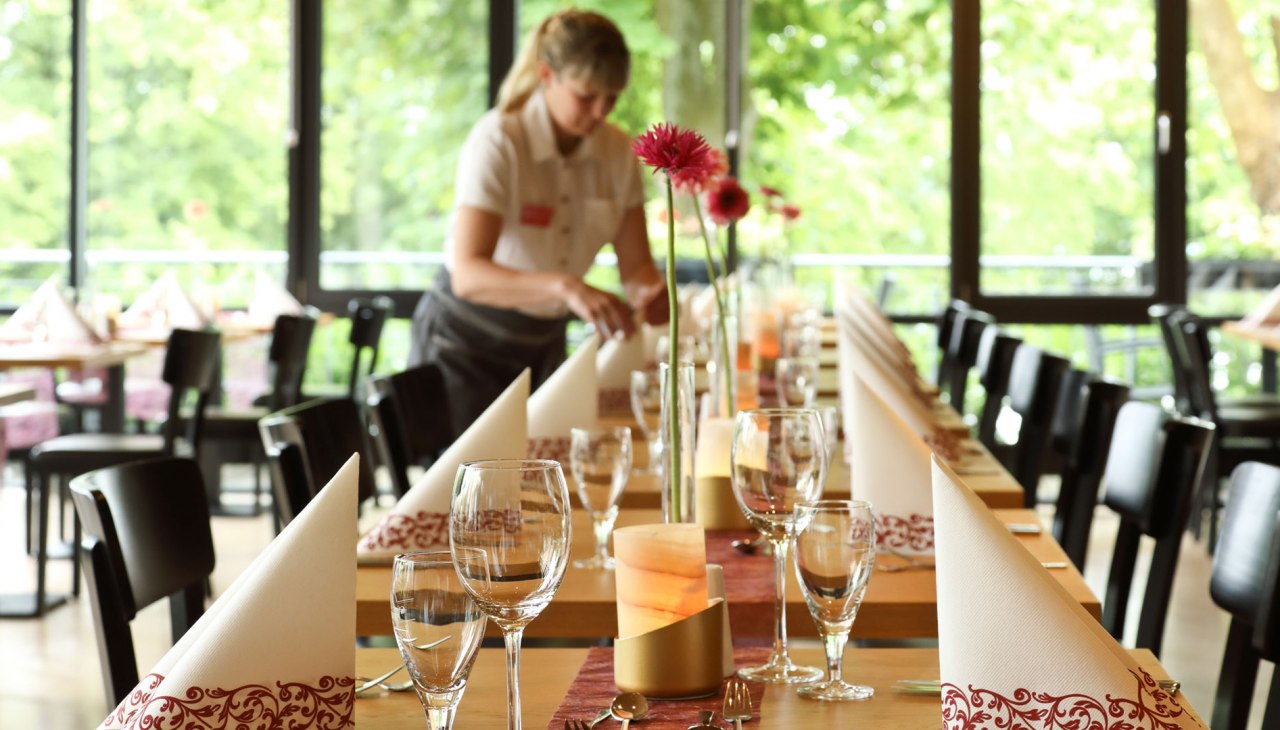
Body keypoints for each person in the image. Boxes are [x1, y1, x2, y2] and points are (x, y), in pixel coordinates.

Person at [409, 8, 667, 442]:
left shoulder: (620, 153)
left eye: (613, 98)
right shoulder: (499, 139)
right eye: (587, 96)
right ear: (547, 75)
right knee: (470, 497)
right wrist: (565, 287)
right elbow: (469, 276)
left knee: (537, 487)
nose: (601, 112)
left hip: (542, 345)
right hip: (464, 346)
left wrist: (652, 293)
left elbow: (636, 269)